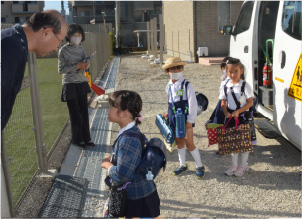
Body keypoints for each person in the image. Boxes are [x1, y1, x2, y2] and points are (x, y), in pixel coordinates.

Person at [1, 10, 67, 131]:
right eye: (60, 40)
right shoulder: (9, 49)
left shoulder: (12, 42)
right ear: (46, 33)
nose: (58, 47)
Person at [101, 90, 160, 217]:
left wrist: (107, 165)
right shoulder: (130, 132)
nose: (108, 110)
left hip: (136, 198)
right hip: (139, 194)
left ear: (124, 114)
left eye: (111, 107)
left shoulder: (129, 140)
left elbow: (122, 175)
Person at [162, 57, 205, 179]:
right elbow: (171, 102)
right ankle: (182, 164)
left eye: (179, 68)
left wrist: (190, 121)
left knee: (189, 143)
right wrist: (167, 114)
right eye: (173, 68)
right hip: (174, 118)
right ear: (167, 71)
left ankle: (199, 166)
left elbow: (193, 104)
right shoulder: (168, 86)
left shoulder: (187, 85)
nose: (177, 70)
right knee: (179, 141)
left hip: (185, 118)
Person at [58, 24, 94, 150]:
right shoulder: (63, 50)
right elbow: (61, 70)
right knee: (75, 114)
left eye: (79, 36)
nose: (77, 38)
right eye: (74, 36)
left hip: (81, 82)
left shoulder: (81, 49)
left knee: (84, 112)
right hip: (70, 85)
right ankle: (77, 140)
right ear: (68, 36)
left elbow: (85, 65)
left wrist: (85, 64)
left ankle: (87, 138)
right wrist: (77, 66)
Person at [219, 57, 254, 177]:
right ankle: (234, 165)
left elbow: (250, 102)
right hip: (230, 117)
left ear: (241, 71)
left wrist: (239, 111)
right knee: (232, 142)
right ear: (226, 72)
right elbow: (223, 102)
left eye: (236, 71)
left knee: (244, 142)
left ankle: (243, 165)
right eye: (230, 72)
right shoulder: (224, 85)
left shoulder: (245, 86)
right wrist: (225, 112)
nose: (233, 74)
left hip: (243, 116)